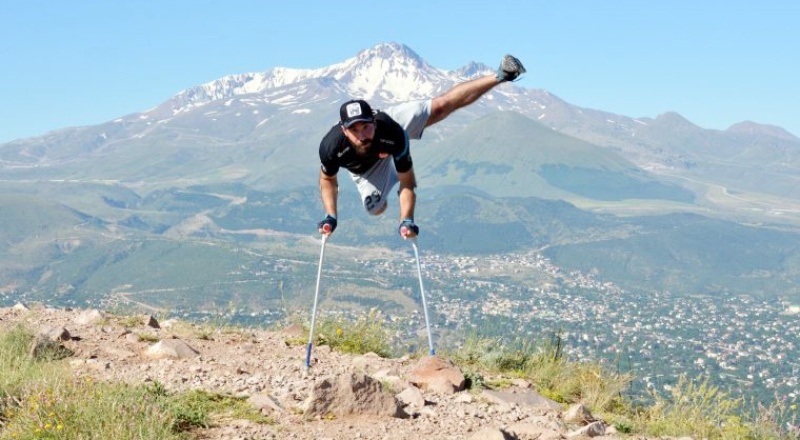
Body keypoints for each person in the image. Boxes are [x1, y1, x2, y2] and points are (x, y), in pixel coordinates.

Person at [317, 54, 526, 239]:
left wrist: (406, 220)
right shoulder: (331, 146)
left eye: (366, 127)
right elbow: (328, 180)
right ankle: (390, 174)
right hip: (365, 171)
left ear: (373, 121)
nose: (362, 135)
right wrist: (330, 216)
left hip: (389, 134)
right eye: (354, 130)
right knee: (375, 209)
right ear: (344, 131)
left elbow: (408, 183)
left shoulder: (391, 130)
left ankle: (501, 75)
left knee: (440, 107)